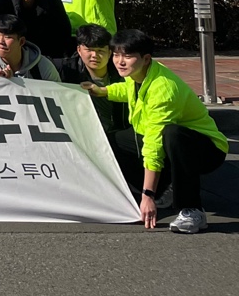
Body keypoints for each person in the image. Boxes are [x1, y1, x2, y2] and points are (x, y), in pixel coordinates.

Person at [84, 29, 231, 233]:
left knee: (172, 134)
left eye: (127, 56)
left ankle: (192, 210)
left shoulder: (163, 89)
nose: (120, 61)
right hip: (170, 144)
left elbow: (154, 144)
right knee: (109, 142)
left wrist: (147, 195)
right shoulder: (139, 73)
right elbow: (128, 89)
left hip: (207, 150)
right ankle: (163, 188)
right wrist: (103, 91)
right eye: (116, 55)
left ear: (146, 58)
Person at [57, 24, 137, 182]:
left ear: (110, 52)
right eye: (89, 50)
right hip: (83, 136)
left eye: (101, 50)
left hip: (119, 133)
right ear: (79, 50)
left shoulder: (123, 72)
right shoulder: (66, 69)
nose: (95, 55)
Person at [0, 14, 61, 80]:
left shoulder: (43, 66)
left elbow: (57, 95)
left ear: (21, 41)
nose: (1, 41)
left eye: (7, 37)